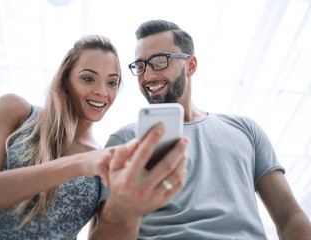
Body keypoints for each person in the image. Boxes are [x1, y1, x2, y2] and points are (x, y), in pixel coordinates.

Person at [89, 20, 311, 239]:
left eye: (159, 61)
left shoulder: (246, 130)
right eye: (140, 66)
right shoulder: (123, 140)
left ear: (191, 65)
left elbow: (290, 217)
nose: (147, 76)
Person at [0, 34, 124, 239]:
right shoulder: (17, 112)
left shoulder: (103, 165)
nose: (102, 92)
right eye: (88, 79)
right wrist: (76, 164)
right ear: (65, 81)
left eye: (112, 82)